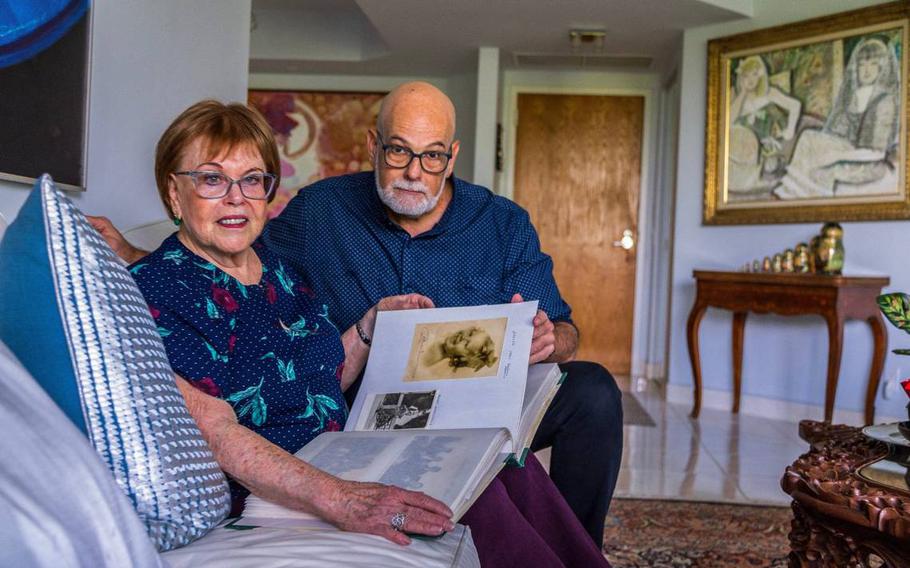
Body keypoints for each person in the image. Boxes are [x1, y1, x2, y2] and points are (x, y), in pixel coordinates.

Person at [93, 81, 624, 548]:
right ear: (374, 145)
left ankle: (583, 551)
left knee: (584, 399)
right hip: (361, 410)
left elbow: (562, 326)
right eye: (398, 151)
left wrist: (549, 338)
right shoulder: (317, 212)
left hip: (470, 396)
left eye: (432, 156)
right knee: (482, 483)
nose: (415, 172)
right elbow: (210, 256)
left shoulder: (500, 223)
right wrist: (134, 260)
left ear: (451, 156)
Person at [773, 37, 899, 199]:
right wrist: (828, 149)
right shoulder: (853, 97)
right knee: (808, 137)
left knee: (821, 167)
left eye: (873, 64)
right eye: (862, 65)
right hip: (850, 150)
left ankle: (807, 200)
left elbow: (876, 152)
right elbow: (838, 133)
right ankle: (791, 194)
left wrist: (834, 156)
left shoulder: (884, 102)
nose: (866, 70)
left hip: (870, 161)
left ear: (882, 68)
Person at [727, 55, 801, 193]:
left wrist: (789, 131)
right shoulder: (736, 97)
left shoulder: (769, 93)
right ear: (741, 78)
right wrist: (743, 93)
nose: (750, 80)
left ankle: (750, 179)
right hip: (739, 149)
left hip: (762, 147)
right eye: (746, 76)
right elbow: (727, 122)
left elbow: (796, 105)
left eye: (754, 75)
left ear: (761, 76)